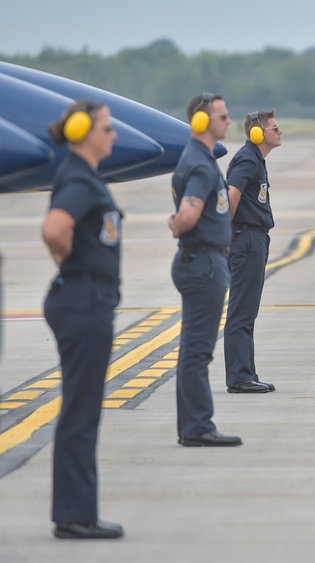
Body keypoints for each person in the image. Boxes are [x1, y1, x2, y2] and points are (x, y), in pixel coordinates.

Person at [42, 99, 124, 539]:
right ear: (84, 131)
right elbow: (54, 228)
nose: (113, 135)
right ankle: (75, 516)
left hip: (87, 297)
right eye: (108, 128)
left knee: (83, 409)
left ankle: (78, 511)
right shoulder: (78, 178)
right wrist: (72, 266)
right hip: (83, 299)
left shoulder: (86, 177)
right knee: (80, 411)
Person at [168, 92, 241, 446]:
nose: (228, 122)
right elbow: (187, 215)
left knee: (191, 349)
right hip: (205, 263)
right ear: (202, 121)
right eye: (223, 117)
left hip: (199, 261)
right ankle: (198, 426)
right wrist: (177, 225)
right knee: (198, 350)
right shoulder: (200, 164)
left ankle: (191, 425)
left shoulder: (198, 159)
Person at [223, 110, 282, 393]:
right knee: (242, 311)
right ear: (258, 134)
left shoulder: (255, 159)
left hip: (253, 238)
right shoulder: (248, 159)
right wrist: (226, 235)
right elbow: (231, 194)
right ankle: (239, 377)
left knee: (247, 311)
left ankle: (246, 373)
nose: (279, 131)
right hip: (245, 239)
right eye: (274, 128)